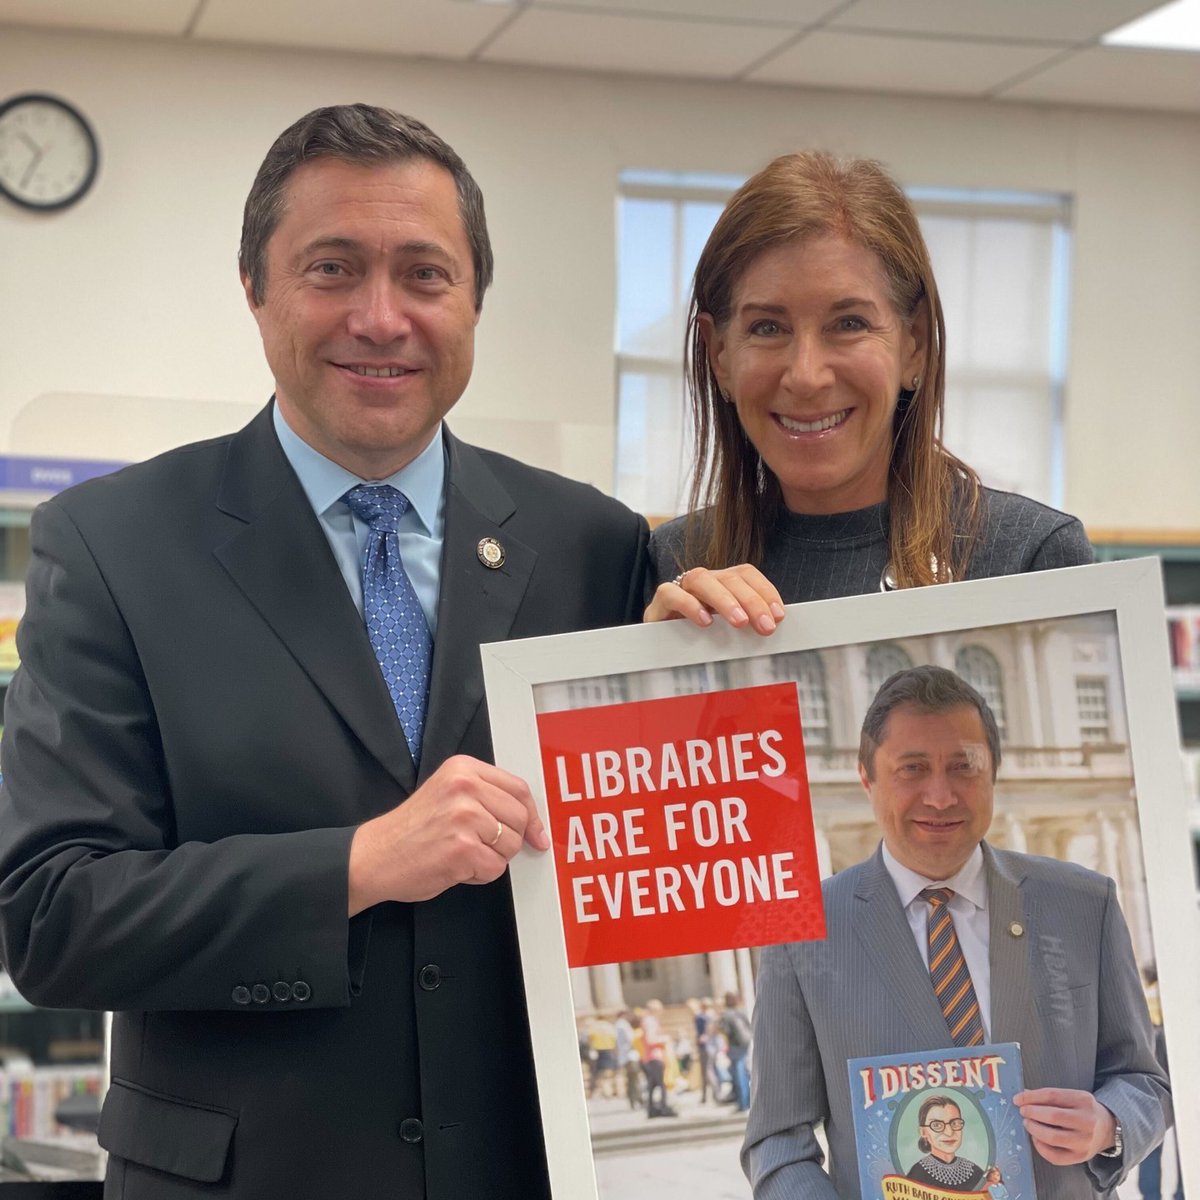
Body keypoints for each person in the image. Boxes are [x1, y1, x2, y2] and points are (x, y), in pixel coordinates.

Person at [0, 104, 648, 1199]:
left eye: (425, 275)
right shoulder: (114, 546)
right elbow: (53, 915)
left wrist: (720, 650)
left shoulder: (596, 544)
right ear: (256, 290)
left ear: (475, 299)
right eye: (333, 268)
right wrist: (356, 866)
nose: (381, 317)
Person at [744, 665, 1170, 1200]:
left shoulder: (1085, 904)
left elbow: (1145, 1081)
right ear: (866, 778)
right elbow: (776, 1142)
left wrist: (1109, 1122)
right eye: (912, 768)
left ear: (994, 772)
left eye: (963, 767)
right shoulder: (800, 928)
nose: (941, 796)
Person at [644, 151, 1092, 629]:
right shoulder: (674, 568)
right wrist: (655, 673)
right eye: (768, 327)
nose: (807, 375)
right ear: (720, 356)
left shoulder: (1029, 558)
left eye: (849, 323)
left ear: (914, 343)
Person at [905, 1096, 985, 1192]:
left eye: (954, 1123)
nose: (949, 1132)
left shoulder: (975, 1172)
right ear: (923, 1132)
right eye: (937, 1125)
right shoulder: (917, 1174)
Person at [720, 990, 753, 1113]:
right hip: (745, 1044)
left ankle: (743, 1103)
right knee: (744, 1072)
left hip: (735, 1046)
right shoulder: (741, 1011)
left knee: (739, 1074)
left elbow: (726, 1031)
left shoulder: (726, 1014)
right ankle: (749, 1101)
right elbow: (749, 1026)